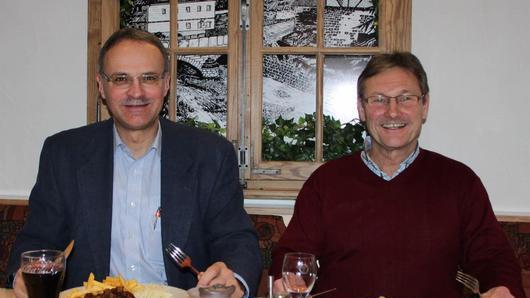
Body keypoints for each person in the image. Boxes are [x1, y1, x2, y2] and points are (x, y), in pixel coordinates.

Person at [6, 28, 262, 298]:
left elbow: (236, 239)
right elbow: (38, 239)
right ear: (101, 86)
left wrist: (234, 276)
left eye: (148, 78)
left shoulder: (211, 154)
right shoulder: (63, 153)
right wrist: (25, 274)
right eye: (121, 79)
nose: (136, 92)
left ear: (166, 84)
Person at [269, 52, 525, 298]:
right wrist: (287, 280)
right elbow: (292, 255)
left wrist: (503, 287)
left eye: (405, 98)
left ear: (424, 106)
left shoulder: (459, 182)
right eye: (379, 99)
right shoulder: (325, 182)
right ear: (361, 109)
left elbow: (493, 257)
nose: (392, 112)